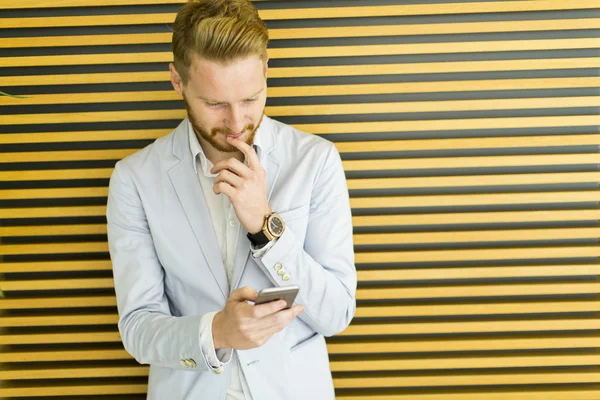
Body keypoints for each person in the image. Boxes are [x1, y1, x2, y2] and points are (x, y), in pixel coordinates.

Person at [106, 0, 356, 399]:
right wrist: (217, 332)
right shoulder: (134, 179)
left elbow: (336, 313)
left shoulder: (316, 161)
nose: (237, 123)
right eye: (216, 104)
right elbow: (137, 329)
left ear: (267, 71)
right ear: (177, 80)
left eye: (251, 98)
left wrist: (266, 227)